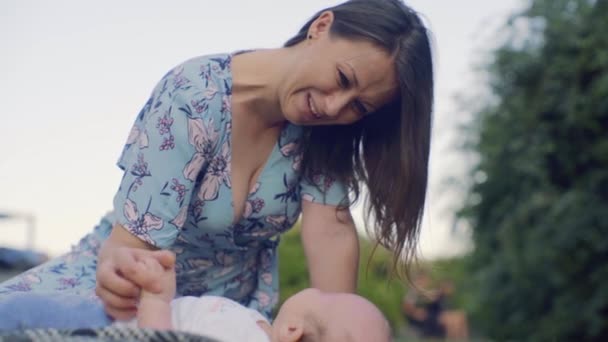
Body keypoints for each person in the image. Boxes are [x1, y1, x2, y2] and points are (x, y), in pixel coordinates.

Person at [0, 0, 434, 322]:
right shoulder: (194, 95)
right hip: (134, 284)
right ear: (321, 27)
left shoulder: (327, 135)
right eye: (342, 79)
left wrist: (334, 327)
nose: (336, 106)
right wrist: (131, 289)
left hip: (230, 312)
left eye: (359, 107)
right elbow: (134, 247)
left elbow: (330, 232)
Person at [124, 250, 391, 342]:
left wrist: (156, 300)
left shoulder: (233, 335)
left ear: (291, 331)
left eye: (328, 296)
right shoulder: (257, 329)